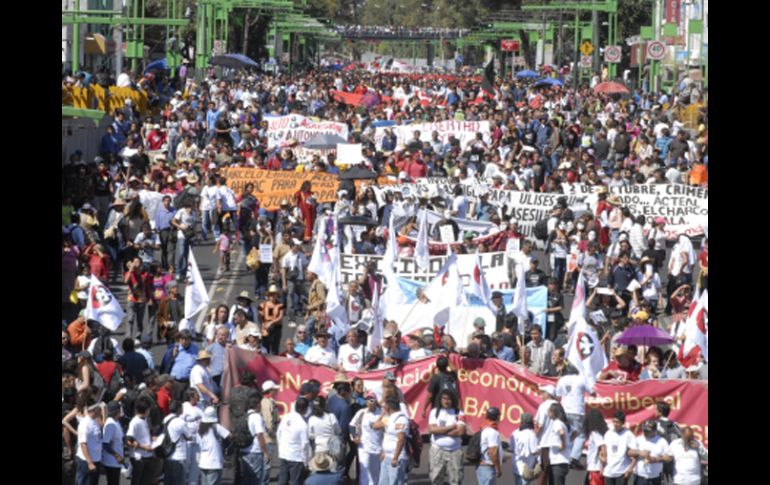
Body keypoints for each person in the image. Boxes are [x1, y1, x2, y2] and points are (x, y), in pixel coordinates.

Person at [556, 371, 593, 470]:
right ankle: (574, 458)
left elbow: (558, 394)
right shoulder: (581, 379)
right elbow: (592, 391)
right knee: (580, 435)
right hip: (577, 411)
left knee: (567, 433)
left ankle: (565, 454)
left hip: (564, 410)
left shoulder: (562, 379)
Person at [428, 389, 466, 485]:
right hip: (437, 450)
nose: (446, 401)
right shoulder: (435, 412)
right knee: (436, 479)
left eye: (449, 399)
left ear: (452, 400)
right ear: (440, 399)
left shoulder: (459, 413)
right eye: (444, 398)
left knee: (456, 480)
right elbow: (432, 430)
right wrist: (451, 427)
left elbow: (460, 431)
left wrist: (440, 431)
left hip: (455, 451)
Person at [373, 396, 410, 485]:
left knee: (395, 482)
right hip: (386, 457)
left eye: (384, 405)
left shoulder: (400, 419)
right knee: (383, 482)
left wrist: (395, 458)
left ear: (388, 407)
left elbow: (401, 439)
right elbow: (375, 426)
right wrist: (382, 415)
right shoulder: (389, 419)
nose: (383, 407)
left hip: (396, 458)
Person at [276, 397, 311, 485]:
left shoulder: (286, 417)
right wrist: (305, 461)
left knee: (282, 480)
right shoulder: (303, 425)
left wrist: (281, 447)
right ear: (306, 409)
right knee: (296, 481)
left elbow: (278, 433)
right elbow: (304, 445)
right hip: (296, 457)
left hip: (284, 454)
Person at [350, 391, 383, 485]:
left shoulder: (381, 413)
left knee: (374, 471)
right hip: (363, 446)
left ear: (376, 401)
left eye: (371, 400)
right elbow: (351, 425)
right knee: (364, 468)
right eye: (367, 400)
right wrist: (355, 436)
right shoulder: (361, 413)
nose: (369, 402)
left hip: (377, 447)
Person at [629, 419, 672, 485]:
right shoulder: (638, 440)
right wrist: (640, 452)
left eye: (648, 431)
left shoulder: (662, 441)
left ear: (655, 431)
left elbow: (669, 458)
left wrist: (656, 459)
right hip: (640, 476)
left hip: (655, 478)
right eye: (644, 430)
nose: (645, 432)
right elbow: (629, 452)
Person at [197, 406, 230, 485]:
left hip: (203, 462)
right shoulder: (216, 427)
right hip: (214, 462)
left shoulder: (200, 429)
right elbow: (229, 435)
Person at [241, 396, 270, 485]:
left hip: (244, 450)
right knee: (256, 479)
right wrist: (265, 452)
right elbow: (260, 435)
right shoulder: (256, 416)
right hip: (255, 451)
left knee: (246, 479)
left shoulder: (244, 416)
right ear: (257, 405)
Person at [602, 411, 637, 485]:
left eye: (617, 422)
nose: (615, 424)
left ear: (622, 423)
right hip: (609, 472)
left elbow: (635, 455)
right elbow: (604, 451)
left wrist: (630, 469)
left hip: (621, 472)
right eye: (613, 421)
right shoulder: (608, 434)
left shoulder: (628, 435)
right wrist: (602, 466)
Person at [163, 400, 194, 485]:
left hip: (168, 455)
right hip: (179, 456)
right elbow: (189, 437)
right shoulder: (180, 422)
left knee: (168, 481)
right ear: (179, 408)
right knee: (179, 481)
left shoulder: (166, 419)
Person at [126, 398, 155, 485]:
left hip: (147, 455)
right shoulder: (135, 422)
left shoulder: (145, 419)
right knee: (137, 480)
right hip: (138, 457)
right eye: (149, 409)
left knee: (145, 480)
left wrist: (152, 438)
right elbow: (128, 441)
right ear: (146, 410)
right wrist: (143, 447)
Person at [544, 403, 571, 485]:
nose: (547, 412)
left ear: (553, 412)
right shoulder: (562, 423)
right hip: (561, 462)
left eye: (549, 411)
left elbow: (561, 433)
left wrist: (563, 445)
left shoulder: (557, 423)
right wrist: (568, 441)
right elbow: (575, 432)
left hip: (558, 462)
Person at [75, 403, 103, 485]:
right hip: (86, 461)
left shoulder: (95, 420)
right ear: (94, 410)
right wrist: (90, 463)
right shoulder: (85, 424)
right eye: (99, 409)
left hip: (96, 459)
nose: (101, 410)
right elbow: (83, 444)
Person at [510, 413, 540, 485]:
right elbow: (534, 451)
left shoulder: (515, 433)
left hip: (516, 466)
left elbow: (511, 449)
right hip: (526, 468)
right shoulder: (531, 434)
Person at [476, 407, 503, 485]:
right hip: (488, 467)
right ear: (497, 417)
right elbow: (492, 452)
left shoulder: (484, 428)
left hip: (483, 467)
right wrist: (498, 468)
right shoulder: (492, 432)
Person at [101, 401, 125, 485]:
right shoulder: (110, 424)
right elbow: (105, 444)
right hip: (111, 462)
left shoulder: (116, 421)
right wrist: (117, 455)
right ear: (116, 411)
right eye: (120, 409)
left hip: (116, 462)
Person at [259, 286, 285, 354]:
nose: (273, 296)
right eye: (271, 294)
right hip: (266, 328)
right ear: (268, 296)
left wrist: (271, 323)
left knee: (275, 348)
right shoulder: (262, 305)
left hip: (276, 328)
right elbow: (260, 316)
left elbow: (280, 317)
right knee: (265, 348)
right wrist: (263, 325)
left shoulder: (280, 305)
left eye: (274, 294)